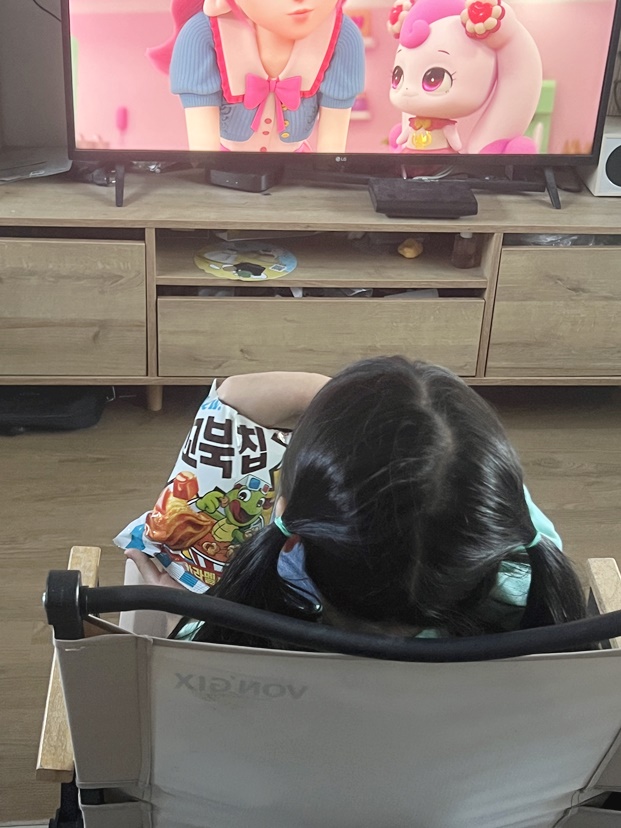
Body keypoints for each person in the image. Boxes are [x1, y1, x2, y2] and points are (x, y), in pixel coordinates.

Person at [126, 357, 585, 646]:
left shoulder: (234, 640)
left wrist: (186, 615)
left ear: (286, 522)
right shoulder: (532, 587)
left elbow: (234, 394)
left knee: (144, 565)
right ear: (499, 520)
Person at [148, 0, 365, 153]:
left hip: (297, 168)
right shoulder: (202, 34)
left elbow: (332, 152)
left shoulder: (342, 36)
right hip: (225, 168)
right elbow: (204, 153)